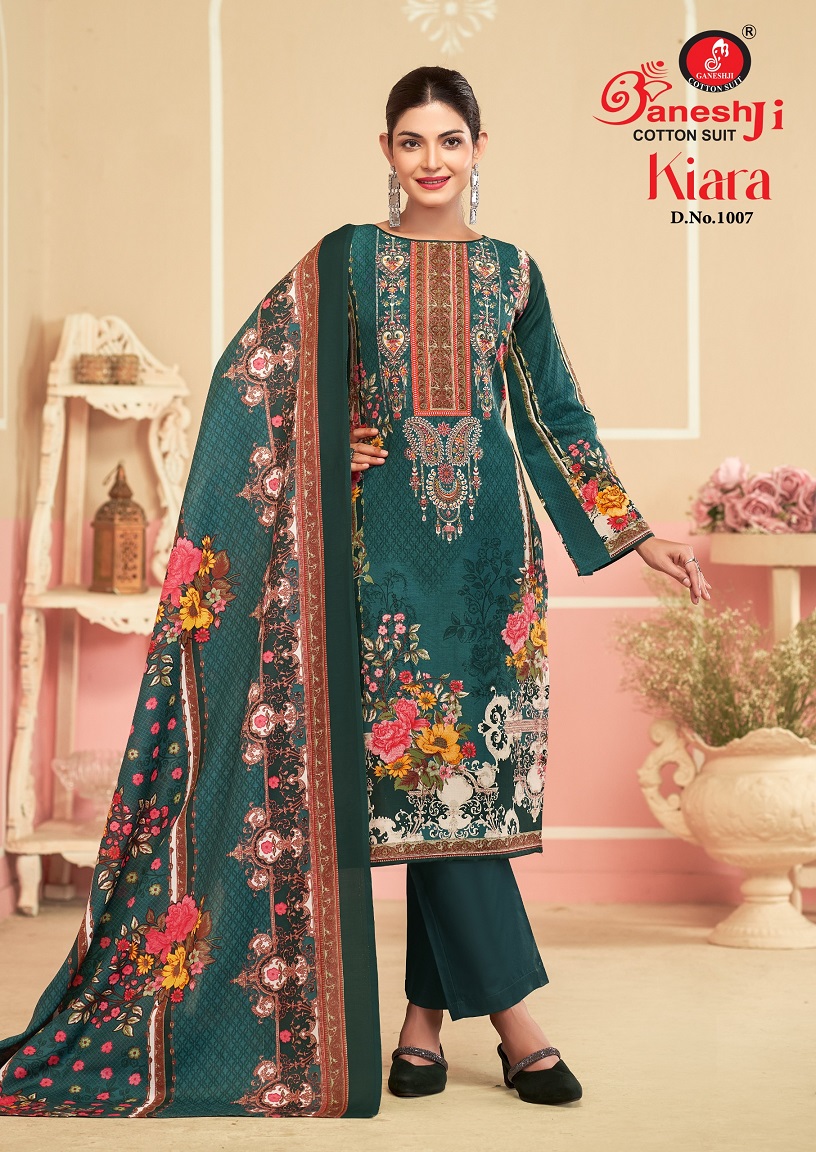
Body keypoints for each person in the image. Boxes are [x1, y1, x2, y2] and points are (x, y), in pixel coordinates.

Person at [0, 65, 710, 1119]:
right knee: (432, 782)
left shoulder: (512, 274)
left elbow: (554, 416)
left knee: (461, 793)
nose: (432, 160)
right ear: (387, 151)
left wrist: (635, 533)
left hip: (493, 571)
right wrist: (325, 442)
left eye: (451, 140)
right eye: (412, 141)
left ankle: (421, 1027)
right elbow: (257, 386)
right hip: (378, 570)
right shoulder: (344, 264)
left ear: (479, 148)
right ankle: (519, 1024)